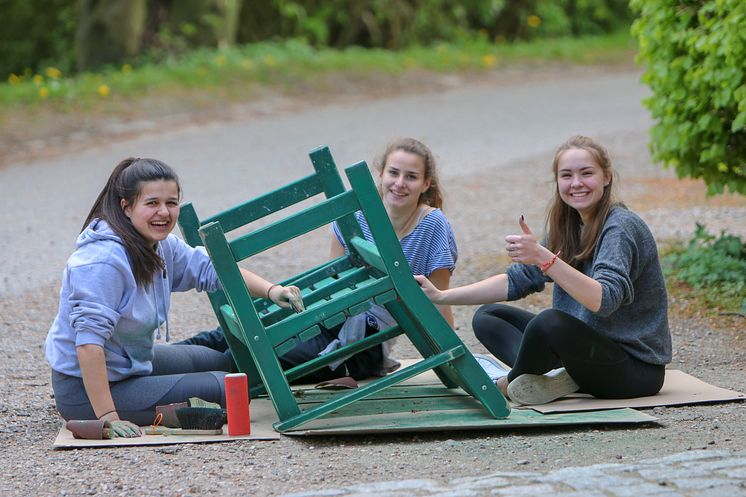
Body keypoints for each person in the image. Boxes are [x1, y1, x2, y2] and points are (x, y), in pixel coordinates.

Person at [45, 158, 300, 436]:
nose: (164, 212)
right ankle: (117, 406)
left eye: (172, 203)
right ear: (126, 206)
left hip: (130, 363)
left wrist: (272, 290)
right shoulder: (102, 262)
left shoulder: (160, 245)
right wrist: (108, 416)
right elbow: (88, 346)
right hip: (84, 389)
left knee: (223, 363)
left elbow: (213, 268)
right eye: (152, 203)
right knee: (225, 388)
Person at [415, 135, 672, 405]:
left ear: (606, 177)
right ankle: (551, 379)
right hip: (585, 356)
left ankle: (509, 383)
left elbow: (603, 300)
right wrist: (442, 296)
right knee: (488, 316)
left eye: (587, 173)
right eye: (566, 175)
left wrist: (543, 257)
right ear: (557, 181)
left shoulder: (620, 227)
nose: (576, 183)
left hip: (633, 371)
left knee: (550, 322)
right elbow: (516, 282)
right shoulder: (570, 226)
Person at [278, 137, 459, 381]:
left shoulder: (433, 226)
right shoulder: (355, 216)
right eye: (393, 173)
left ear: (426, 183)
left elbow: (439, 297)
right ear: (381, 173)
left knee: (265, 358)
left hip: (366, 341)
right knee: (248, 338)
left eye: (411, 177)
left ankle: (214, 378)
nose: (399, 183)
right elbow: (334, 279)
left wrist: (454, 360)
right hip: (333, 317)